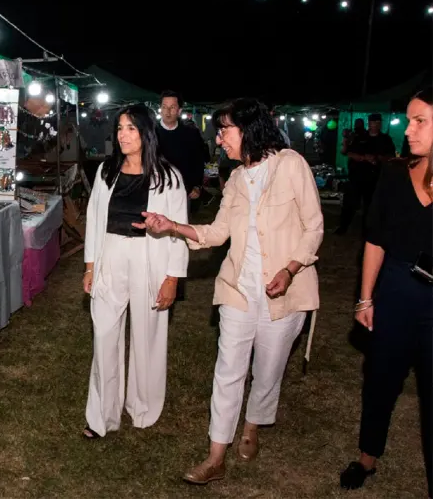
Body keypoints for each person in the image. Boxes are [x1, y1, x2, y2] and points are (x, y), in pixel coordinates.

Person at [134, 98, 323, 484]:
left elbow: (314, 227)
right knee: (228, 371)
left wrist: (290, 269)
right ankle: (215, 456)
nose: (219, 139)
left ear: (249, 129)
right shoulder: (235, 179)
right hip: (238, 289)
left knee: (268, 369)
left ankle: (252, 423)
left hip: (283, 293)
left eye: (224, 130)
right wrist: (172, 226)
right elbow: (218, 233)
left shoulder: (290, 165)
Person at [340, 87, 433, 496]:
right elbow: (375, 239)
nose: (408, 130)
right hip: (396, 289)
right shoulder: (395, 174)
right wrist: (365, 298)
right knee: (380, 380)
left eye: (420, 121)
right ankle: (367, 457)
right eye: (409, 120)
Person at [82, 104, 188, 439]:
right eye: (119, 128)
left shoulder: (168, 177)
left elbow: (178, 230)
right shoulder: (106, 171)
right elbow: (94, 220)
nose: (123, 135)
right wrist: (90, 266)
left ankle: (143, 407)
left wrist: (172, 278)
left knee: (147, 336)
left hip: (149, 258)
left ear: (146, 132)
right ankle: (102, 415)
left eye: (130, 128)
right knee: (104, 334)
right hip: (111, 254)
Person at [336, 114, 396, 235]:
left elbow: (391, 156)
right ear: (369, 123)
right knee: (350, 203)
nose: (376, 125)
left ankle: (367, 231)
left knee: (371, 206)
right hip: (356, 177)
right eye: (373, 122)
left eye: (378, 123)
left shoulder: (385, 139)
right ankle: (343, 227)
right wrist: (363, 157)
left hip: (374, 178)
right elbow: (348, 152)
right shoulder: (359, 137)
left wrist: (377, 158)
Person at [156, 90, 209, 214]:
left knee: (180, 223)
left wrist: (197, 185)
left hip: (184, 190)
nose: (168, 111)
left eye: (172, 107)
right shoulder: (151, 133)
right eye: (164, 107)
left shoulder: (190, 133)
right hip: (156, 190)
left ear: (179, 110)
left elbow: (198, 160)